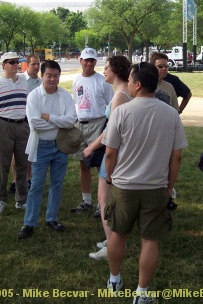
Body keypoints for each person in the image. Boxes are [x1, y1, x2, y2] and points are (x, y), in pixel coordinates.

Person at [103, 62, 187, 303]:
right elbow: (177, 155)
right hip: (156, 187)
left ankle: (114, 279)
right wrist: (169, 186)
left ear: (138, 85)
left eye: (130, 80)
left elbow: (110, 153)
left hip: (123, 186)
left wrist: (110, 176)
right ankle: (142, 293)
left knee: (118, 234)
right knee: (150, 240)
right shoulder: (171, 113)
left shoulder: (121, 112)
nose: (127, 84)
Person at [17, 60, 77, 239]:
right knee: (36, 185)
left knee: (57, 184)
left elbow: (71, 120)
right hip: (41, 146)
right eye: (49, 75)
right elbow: (34, 123)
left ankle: (52, 218)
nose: (52, 79)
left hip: (61, 145)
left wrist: (49, 117)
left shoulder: (65, 95)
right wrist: (59, 122)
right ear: (42, 76)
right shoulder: (34, 96)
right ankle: (29, 223)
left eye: (56, 76)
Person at [83, 55, 131, 260]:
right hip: (117, 151)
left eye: (107, 67)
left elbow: (112, 130)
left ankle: (112, 246)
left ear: (116, 70)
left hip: (114, 153)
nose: (104, 71)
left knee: (104, 199)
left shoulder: (121, 95)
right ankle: (111, 237)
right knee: (110, 199)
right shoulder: (120, 93)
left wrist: (91, 147)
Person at [70, 48, 113, 214]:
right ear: (80, 60)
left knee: (100, 164)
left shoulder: (103, 81)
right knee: (83, 164)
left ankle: (101, 203)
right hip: (81, 124)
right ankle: (86, 200)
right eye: (86, 60)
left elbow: (111, 105)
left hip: (98, 122)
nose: (89, 63)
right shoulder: (76, 80)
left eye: (92, 60)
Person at [0, 52, 29, 215]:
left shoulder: (24, 81)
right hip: (4, 125)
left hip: (22, 125)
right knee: (2, 165)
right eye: (11, 62)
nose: (15, 65)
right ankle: (0, 199)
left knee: (22, 164)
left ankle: (21, 199)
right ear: (3, 65)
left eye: (16, 62)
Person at [9, 54, 41, 194]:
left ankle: (27, 179)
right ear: (26, 65)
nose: (36, 67)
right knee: (17, 153)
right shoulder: (19, 79)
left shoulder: (41, 82)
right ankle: (15, 180)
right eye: (33, 64)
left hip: (34, 120)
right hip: (20, 119)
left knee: (30, 151)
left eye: (38, 64)